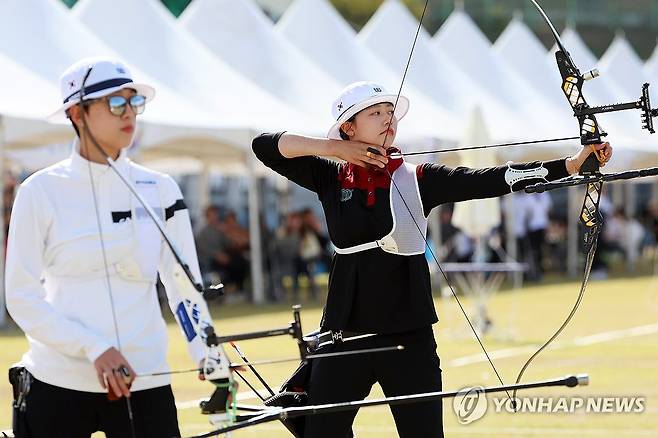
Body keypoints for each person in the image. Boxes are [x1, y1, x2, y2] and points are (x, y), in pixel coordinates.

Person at [252, 81, 613, 437]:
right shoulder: (329, 176)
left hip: (409, 337)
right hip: (345, 335)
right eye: (375, 113)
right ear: (349, 127)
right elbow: (264, 146)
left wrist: (571, 164)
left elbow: (491, 179)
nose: (387, 119)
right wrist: (333, 148)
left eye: (390, 112)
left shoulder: (417, 178)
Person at [5, 57, 224, 438]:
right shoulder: (39, 191)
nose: (129, 114)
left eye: (133, 102)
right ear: (77, 113)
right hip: (57, 380)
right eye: (115, 103)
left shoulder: (161, 188)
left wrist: (207, 354)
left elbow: (182, 284)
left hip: (144, 379)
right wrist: (93, 348)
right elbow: (21, 297)